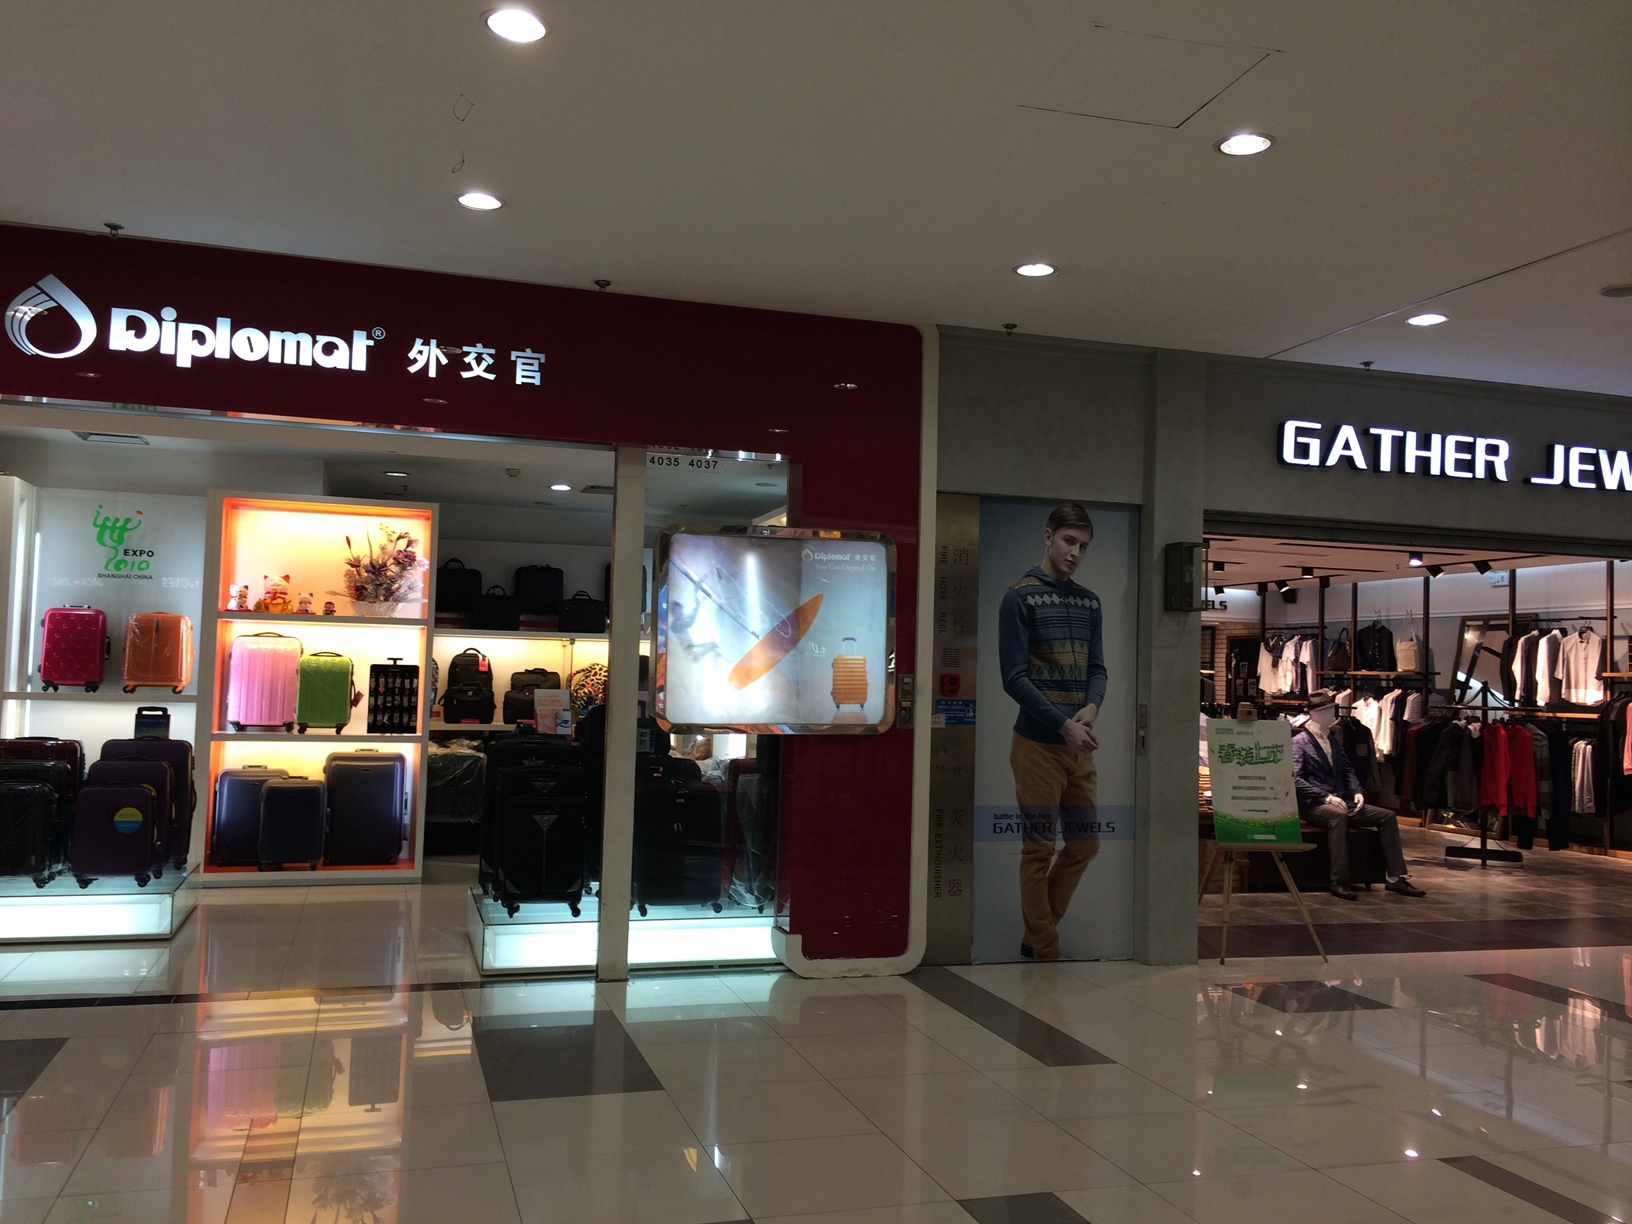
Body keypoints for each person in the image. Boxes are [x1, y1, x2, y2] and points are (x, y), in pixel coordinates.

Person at [999, 502, 1107, 960]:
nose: (1075, 553)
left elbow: (1097, 668)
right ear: (1048, 536)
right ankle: (1044, 946)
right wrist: (1062, 724)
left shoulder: (1089, 602)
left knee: (1085, 844)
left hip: (1079, 744)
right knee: (1039, 849)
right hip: (1038, 745)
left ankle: (1036, 934)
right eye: (1068, 541)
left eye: (1083, 546)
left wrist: (1090, 709)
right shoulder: (1019, 597)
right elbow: (1014, 678)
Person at [1292, 690, 1427, 900]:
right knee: (1338, 816)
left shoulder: (1333, 740)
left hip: (1342, 800)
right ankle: (1338, 880)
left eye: (1331, 709)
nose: (1332, 714)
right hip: (1315, 804)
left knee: (1387, 816)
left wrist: (1356, 791)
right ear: (1315, 714)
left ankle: (1395, 877)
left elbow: (1347, 769)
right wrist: (1325, 797)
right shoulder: (1299, 742)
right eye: (1327, 710)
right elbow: (1295, 778)